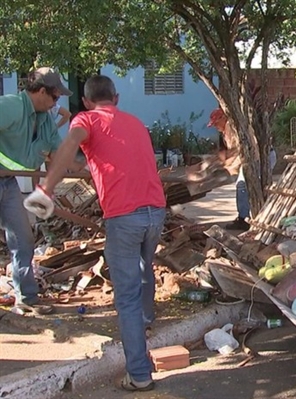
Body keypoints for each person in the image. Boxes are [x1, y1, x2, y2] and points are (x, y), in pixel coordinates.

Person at [24, 75, 166, 392]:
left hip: (125, 218)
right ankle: (144, 324)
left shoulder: (86, 118)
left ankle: (140, 374)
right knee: (145, 270)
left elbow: (70, 144)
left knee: (126, 298)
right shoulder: (135, 123)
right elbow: (111, 159)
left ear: (87, 102)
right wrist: (83, 167)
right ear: (115, 98)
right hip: (155, 212)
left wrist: (46, 189)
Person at [0, 67, 72, 315]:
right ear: (41, 91)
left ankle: (27, 298)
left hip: (7, 183)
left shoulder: (44, 120)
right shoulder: (10, 106)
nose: (57, 101)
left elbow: (58, 155)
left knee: (23, 238)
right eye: (55, 96)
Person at [32, 104, 73, 189]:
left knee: (45, 167)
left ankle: (49, 190)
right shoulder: (41, 104)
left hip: (45, 139)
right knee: (39, 167)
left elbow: (67, 114)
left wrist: (56, 126)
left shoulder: (49, 105)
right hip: (41, 138)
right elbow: (67, 114)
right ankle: (45, 191)